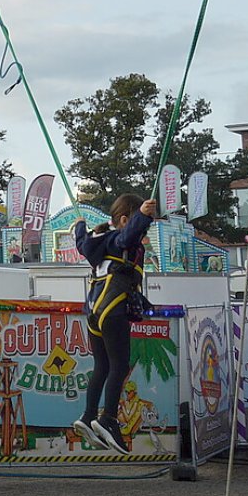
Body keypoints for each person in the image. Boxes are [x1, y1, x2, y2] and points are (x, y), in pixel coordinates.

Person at [72, 194, 159, 455]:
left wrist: (79, 226)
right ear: (124, 220)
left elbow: (81, 244)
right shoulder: (120, 240)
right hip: (113, 307)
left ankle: (88, 416)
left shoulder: (98, 240)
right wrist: (142, 216)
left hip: (95, 310)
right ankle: (108, 417)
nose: (143, 233)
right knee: (119, 365)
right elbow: (126, 237)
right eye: (143, 227)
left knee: (103, 365)